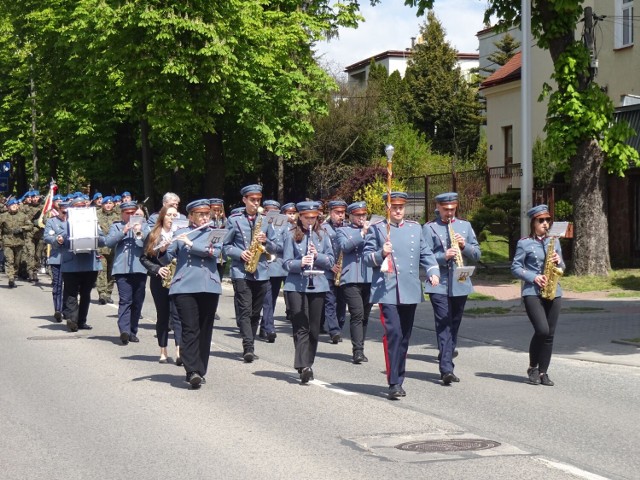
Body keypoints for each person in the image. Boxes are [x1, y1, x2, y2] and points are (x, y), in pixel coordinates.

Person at [363, 192, 440, 400]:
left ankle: (400, 378)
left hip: (410, 289)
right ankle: (394, 382)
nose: (398, 211)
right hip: (387, 289)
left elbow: (426, 253)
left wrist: (433, 271)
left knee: (404, 336)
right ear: (388, 208)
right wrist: (381, 253)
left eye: (401, 207)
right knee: (394, 334)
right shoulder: (378, 229)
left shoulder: (415, 229)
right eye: (394, 207)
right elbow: (366, 258)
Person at [423, 192, 481, 385]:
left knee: (454, 324)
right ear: (438, 207)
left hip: (460, 281)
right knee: (443, 322)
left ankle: (445, 355)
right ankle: (446, 369)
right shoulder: (429, 228)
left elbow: (477, 254)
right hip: (438, 282)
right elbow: (424, 257)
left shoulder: (465, 226)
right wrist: (443, 256)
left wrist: (464, 246)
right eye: (445, 209)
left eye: (452, 209)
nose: (449, 213)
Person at [167, 199, 223, 389]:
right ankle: (191, 371)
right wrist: (163, 245)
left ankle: (200, 369)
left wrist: (190, 244)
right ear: (191, 216)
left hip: (209, 285)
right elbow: (167, 256)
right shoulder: (179, 233)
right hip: (185, 286)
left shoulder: (214, 233)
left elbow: (214, 253)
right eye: (200, 214)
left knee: (205, 329)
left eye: (206, 214)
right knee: (190, 328)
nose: (204, 217)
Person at [511, 204, 565, 386]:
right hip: (532, 291)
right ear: (533, 222)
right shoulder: (524, 243)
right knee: (542, 330)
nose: (545, 223)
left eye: (547, 220)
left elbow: (563, 267)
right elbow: (516, 267)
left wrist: (559, 262)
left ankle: (544, 372)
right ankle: (532, 367)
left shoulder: (554, 241)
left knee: (550, 334)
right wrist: (534, 277)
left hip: (553, 291)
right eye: (541, 220)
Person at [223, 184, 277, 363]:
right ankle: (248, 347)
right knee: (245, 310)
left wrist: (266, 241)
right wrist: (240, 253)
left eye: (258, 200)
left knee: (256, 312)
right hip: (241, 271)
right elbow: (224, 246)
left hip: (261, 271)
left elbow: (277, 246)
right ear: (244, 200)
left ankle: (250, 341)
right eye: (252, 200)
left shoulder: (266, 220)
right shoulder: (234, 220)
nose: (256, 203)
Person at [283, 201, 334, 383]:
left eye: (314, 217)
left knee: (314, 328)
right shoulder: (290, 235)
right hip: (296, 285)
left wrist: (317, 256)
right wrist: (300, 262)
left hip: (318, 284)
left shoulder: (323, 235)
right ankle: (304, 366)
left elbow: (330, 261)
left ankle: (307, 362)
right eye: (307, 218)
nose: (311, 221)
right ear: (300, 217)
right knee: (301, 324)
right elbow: (286, 263)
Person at [140, 205, 183, 364]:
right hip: (160, 281)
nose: (172, 218)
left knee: (178, 315)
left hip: (178, 280)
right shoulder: (153, 235)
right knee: (163, 315)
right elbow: (143, 258)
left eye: (175, 215)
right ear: (163, 217)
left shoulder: (181, 235)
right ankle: (163, 350)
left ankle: (179, 350)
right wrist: (157, 269)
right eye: (169, 215)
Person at [57, 197, 106, 332]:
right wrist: (60, 239)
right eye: (77, 206)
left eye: (83, 206)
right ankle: (72, 320)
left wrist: (95, 236)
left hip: (89, 264)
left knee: (86, 294)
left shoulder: (93, 222)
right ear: (71, 209)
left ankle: (82, 321)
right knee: (71, 294)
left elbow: (102, 240)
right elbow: (54, 238)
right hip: (71, 264)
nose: (80, 208)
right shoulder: (65, 222)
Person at [105, 200, 150, 345]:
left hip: (140, 268)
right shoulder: (116, 226)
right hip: (122, 270)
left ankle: (133, 330)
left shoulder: (145, 226)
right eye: (127, 213)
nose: (130, 216)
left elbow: (151, 243)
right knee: (125, 300)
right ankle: (124, 331)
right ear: (122, 214)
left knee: (137, 302)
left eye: (133, 213)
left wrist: (140, 232)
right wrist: (124, 231)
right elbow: (109, 242)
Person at [336, 201, 373, 364]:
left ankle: (361, 348)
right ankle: (357, 351)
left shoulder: (373, 231)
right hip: (350, 278)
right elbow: (345, 246)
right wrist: (362, 234)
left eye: (363, 215)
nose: (361, 218)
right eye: (358, 215)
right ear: (350, 216)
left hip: (369, 277)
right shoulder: (342, 230)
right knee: (357, 313)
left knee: (364, 315)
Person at [320, 199, 348, 343]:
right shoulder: (323, 228)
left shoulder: (348, 228)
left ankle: (339, 327)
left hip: (343, 272)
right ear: (330, 213)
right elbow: (320, 250)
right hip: (328, 271)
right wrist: (330, 265)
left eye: (342, 213)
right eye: (337, 213)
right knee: (330, 302)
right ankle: (334, 331)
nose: (341, 216)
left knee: (342, 302)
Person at [258, 199, 282, 342]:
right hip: (262, 265)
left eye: (274, 212)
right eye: (268, 211)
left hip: (277, 267)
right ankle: (268, 327)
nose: (271, 214)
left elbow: (282, 247)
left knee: (271, 300)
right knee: (265, 300)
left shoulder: (282, 227)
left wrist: (268, 242)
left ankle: (265, 327)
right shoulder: (260, 224)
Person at [43, 200, 70, 321]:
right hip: (57, 258)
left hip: (71, 259)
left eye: (67, 212)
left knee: (70, 287)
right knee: (57, 285)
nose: (65, 214)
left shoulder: (73, 222)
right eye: (63, 212)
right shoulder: (52, 221)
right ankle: (58, 310)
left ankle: (67, 310)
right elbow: (47, 237)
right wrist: (56, 239)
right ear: (59, 210)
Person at [0, 199, 34, 287]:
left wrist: (22, 228)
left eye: (16, 205)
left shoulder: (23, 216)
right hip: (7, 241)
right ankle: (11, 278)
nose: (14, 206)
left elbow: (30, 226)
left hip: (19, 242)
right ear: (8, 207)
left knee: (17, 262)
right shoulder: (3, 216)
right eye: (12, 205)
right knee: (9, 260)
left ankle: (14, 274)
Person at [96, 196, 118, 304]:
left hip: (114, 249)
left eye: (110, 203)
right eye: (106, 203)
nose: (108, 205)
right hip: (101, 248)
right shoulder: (96, 215)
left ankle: (109, 293)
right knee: (101, 271)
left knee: (112, 272)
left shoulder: (117, 216)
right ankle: (102, 294)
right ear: (102, 205)